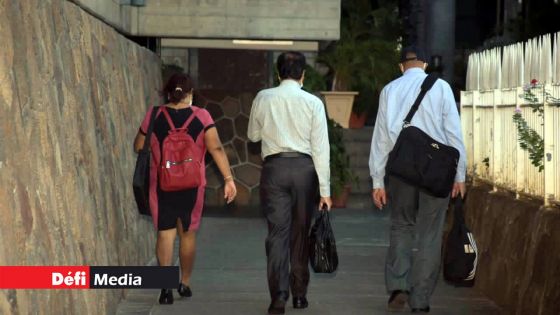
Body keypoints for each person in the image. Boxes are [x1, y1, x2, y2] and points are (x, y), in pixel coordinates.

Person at [368, 46, 467, 313]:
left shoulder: (389, 90)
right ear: (424, 65)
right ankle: (420, 299)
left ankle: (399, 286)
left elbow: (381, 139)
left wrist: (377, 180)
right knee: (430, 234)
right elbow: (454, 133)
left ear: (401, 66)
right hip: (436, 172)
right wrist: (460, 174)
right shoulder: (442, 88)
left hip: (401, 170)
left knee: (401, 225)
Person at [134, 73, 237, 305]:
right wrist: (228, 179)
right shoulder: (202, 116)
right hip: (192, 186)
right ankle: (185, 282)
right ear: (190, 94)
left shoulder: (154, 115)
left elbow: (139, 145)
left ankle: (165, 288)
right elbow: (217, 149)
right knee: (187, 234)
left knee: (165, 233)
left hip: (162, 185)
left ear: (168, 93)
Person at [248, 51, 332, 315]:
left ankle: (278, 297)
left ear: (278, 73)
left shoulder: (264, 97)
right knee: (300, 233)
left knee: (277, 235)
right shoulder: (313, 103)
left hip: (274, 169)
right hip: (305, 171)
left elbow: (253, 135)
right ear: (303, 75)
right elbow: (321, 149)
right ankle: (299, 295)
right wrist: (326, 191)